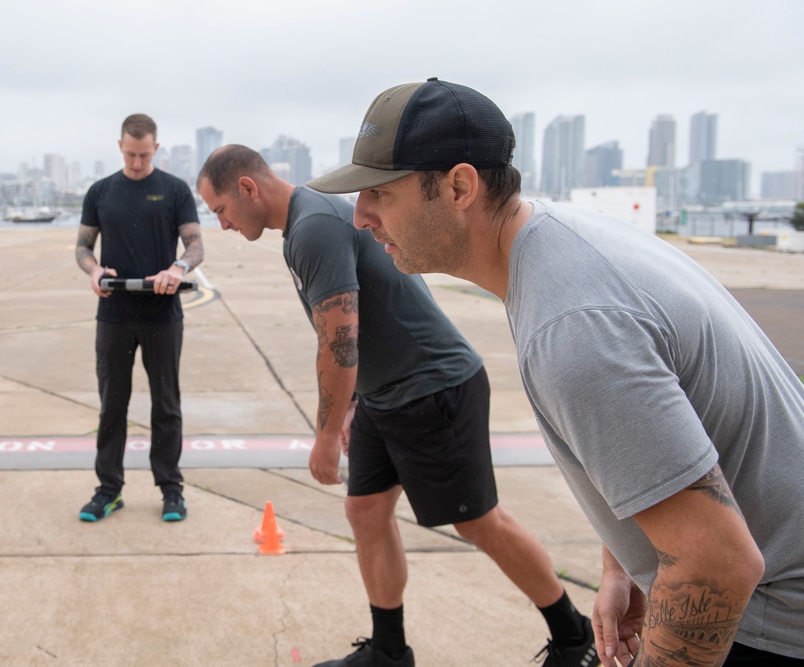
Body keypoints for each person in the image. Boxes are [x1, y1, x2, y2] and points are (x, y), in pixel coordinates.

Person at [307, 78, 804, 666]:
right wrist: (626, 562)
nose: (361, 217)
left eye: (380, 195)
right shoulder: (559, 246)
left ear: (459, 187)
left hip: (767, 624)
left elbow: (715, 566)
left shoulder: (572, 327)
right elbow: (658, 447)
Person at [199, 144, 598, 667]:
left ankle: (575, 638)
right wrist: (348, 408)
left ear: (248, 188)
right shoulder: (305, 223)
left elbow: (340, 341)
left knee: (479, 522)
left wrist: (323, 437)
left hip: (433, 388)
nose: (223, 225)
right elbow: (354, 334)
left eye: (221, 210)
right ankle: (390, 651)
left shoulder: (314, 225)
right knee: (365, 510)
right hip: (383, 396)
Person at [75, 113, 203, 523]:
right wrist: (93, 270)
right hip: (113, 314)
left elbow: (196, 245)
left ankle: (171, 490)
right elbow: (82, 247)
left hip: (162, 314)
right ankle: (108, 490)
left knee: (166, 405)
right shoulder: (100, 191)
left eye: (144, 154)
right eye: (130, 154)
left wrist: (178, 268)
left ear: (156, 149)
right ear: (119, 147)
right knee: (112, 403)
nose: (136, 162)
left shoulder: (174, 190)